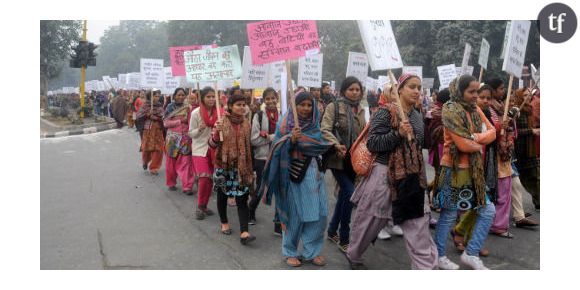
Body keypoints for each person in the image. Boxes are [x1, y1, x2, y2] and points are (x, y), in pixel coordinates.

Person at [346, 74, 437, 270]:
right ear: (400, 89)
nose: (416, 91)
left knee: (418, 225)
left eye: (419, 87)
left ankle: (426, 267)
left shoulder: (417, 115)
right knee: (370, 221)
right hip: (384, 175)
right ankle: (354, 254)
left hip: (412, 177)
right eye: (412, 86)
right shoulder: (384, 112)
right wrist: (398, 134)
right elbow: (374, 144)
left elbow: (420, 143)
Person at [261, 92, 333, 267]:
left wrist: (334, 147)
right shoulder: (285, 124)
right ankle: (290, 251)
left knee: (319, 214)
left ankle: (312, 251)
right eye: (302, 104)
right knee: (294, 215)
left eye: (309, 105)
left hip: (314, 174)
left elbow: (319, 145)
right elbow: (277, 149)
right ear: (295, 105)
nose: (306, 109)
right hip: (293, 175)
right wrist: (291, 140)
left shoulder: (315, 125)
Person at [434, 75, 496, 270]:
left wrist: (475, 137)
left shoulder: (475, 109)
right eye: (471, 92)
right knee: (450, 215)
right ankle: (438, 255)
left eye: (477, 91)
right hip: (453, 170)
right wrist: (477, 142)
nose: (476, 96)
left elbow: (493, 132)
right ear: (460, 91)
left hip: (473, 171)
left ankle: (471, 253)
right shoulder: (450, 109)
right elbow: (462, 145)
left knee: (488, 210)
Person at [321, 76, 366, 253]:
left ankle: (332, 230)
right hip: (337, 158)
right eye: (351, 89)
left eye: (357, 89)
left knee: (344, 197)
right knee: (351, 193)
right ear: (343, 91)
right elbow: (324, 129)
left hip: (354, 161)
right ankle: (344, 236)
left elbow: (363, 133)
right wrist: (335, 144)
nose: (355, 92)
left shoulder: (362, 110)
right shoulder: (334, 106)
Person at [209, 94, 256, 245]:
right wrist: (217, 133)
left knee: (242, 199)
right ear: (230, 106)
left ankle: (244, 232)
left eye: (244, 104)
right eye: (238, 105)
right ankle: (224, 222)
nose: (242, 107)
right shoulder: (221, 122)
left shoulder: (247, 123)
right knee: (223, 196)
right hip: (224, 167)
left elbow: (250, 147)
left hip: (241, 168)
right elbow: (211, 145)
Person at [248, 88, 279, 228]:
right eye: (268, 99)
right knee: (260, 188)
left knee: (281, 189)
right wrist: (273, 138)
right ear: (264, 100)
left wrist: (270, 137)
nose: (271, 101)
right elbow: (254, 139)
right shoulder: (258, 116)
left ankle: (278, 222)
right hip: (262, 157)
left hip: (279, 156)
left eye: (273, 98)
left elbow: (286, 135)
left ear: (277, 99)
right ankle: (250, 212)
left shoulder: (283, 114)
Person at [189, 87, 219, 219]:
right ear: (202, 98)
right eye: (208, 97)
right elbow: (190, 133)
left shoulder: (219, 112)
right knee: (204, 177)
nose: (211, 99)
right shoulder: (196, 113)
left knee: (210, 180)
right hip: (199, 149)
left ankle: (204, 205)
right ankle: (200, 206)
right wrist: (200, 129)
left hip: (214, 149)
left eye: (213, 96)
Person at [513, 88, 541, 211]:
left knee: (535, 177)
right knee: (522, 180)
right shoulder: (515, 111)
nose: (528, 97)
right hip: (520, 149)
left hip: (530, 148)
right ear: (519, 96)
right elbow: (515, 131)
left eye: (529, 94)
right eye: (525, 95)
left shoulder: (529, 110)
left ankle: (538, 201)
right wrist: (532, 131)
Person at [163, 88, 194, 195]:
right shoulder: (169, 107)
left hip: (185, 138)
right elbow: (166, 123)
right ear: (174, 96)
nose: (181, 97)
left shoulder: (189, 107)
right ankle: (171, 183)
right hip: (172, 139)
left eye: (183, 95)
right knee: (171, 163)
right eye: (179, 95)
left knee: (186, 162)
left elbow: (192, 123)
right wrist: (180, 120)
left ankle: (187, 186)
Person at [136, 90, 165, 175]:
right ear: (150, 97)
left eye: (157, 96)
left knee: (158, 149)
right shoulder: (145, 106)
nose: (157, 97)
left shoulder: (160, 106)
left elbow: (163, 118)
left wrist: (155, 118)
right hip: (147, 130)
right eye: (155, 96)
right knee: (147, 147)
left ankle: (154, 167)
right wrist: (147, 115)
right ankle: (145, 161)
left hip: (158, 130)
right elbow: (139, 117)